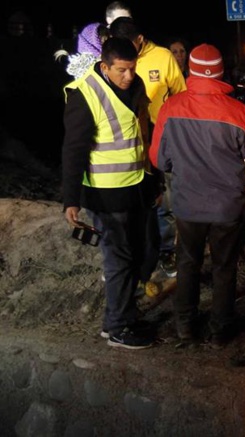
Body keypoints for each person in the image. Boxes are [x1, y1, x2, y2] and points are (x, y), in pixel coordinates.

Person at [149, 43, 245, 347]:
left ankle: (185, 326)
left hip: (188, 205)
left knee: (188, 263)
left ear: (189, 70)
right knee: (223, 267)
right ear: (221, 72)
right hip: (227, 207)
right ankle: (220, 330)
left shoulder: (170, 108)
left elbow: (159, 160)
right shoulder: (240, 113)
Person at [61, 37, 160, 350]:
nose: (128, 76)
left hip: (136, 188)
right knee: (118, 262)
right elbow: (74, 150)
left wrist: (153, 181)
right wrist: (71, 199)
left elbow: (142, 134)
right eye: (121, 70)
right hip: (105, 195)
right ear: (104, 66)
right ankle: (117, 328)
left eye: (131, 69)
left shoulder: (136, 86)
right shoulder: (84, 94)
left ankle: (122, 318)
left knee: (140, 255)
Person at [111, 17, 187, 278]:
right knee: (136, 202)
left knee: (165, 200)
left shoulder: (163, 57)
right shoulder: (115, 60)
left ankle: (167, 251)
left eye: (129, 45)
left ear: (140, 40)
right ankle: (138, 255)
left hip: (161, 140)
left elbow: (181, 96)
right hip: (128, 144)